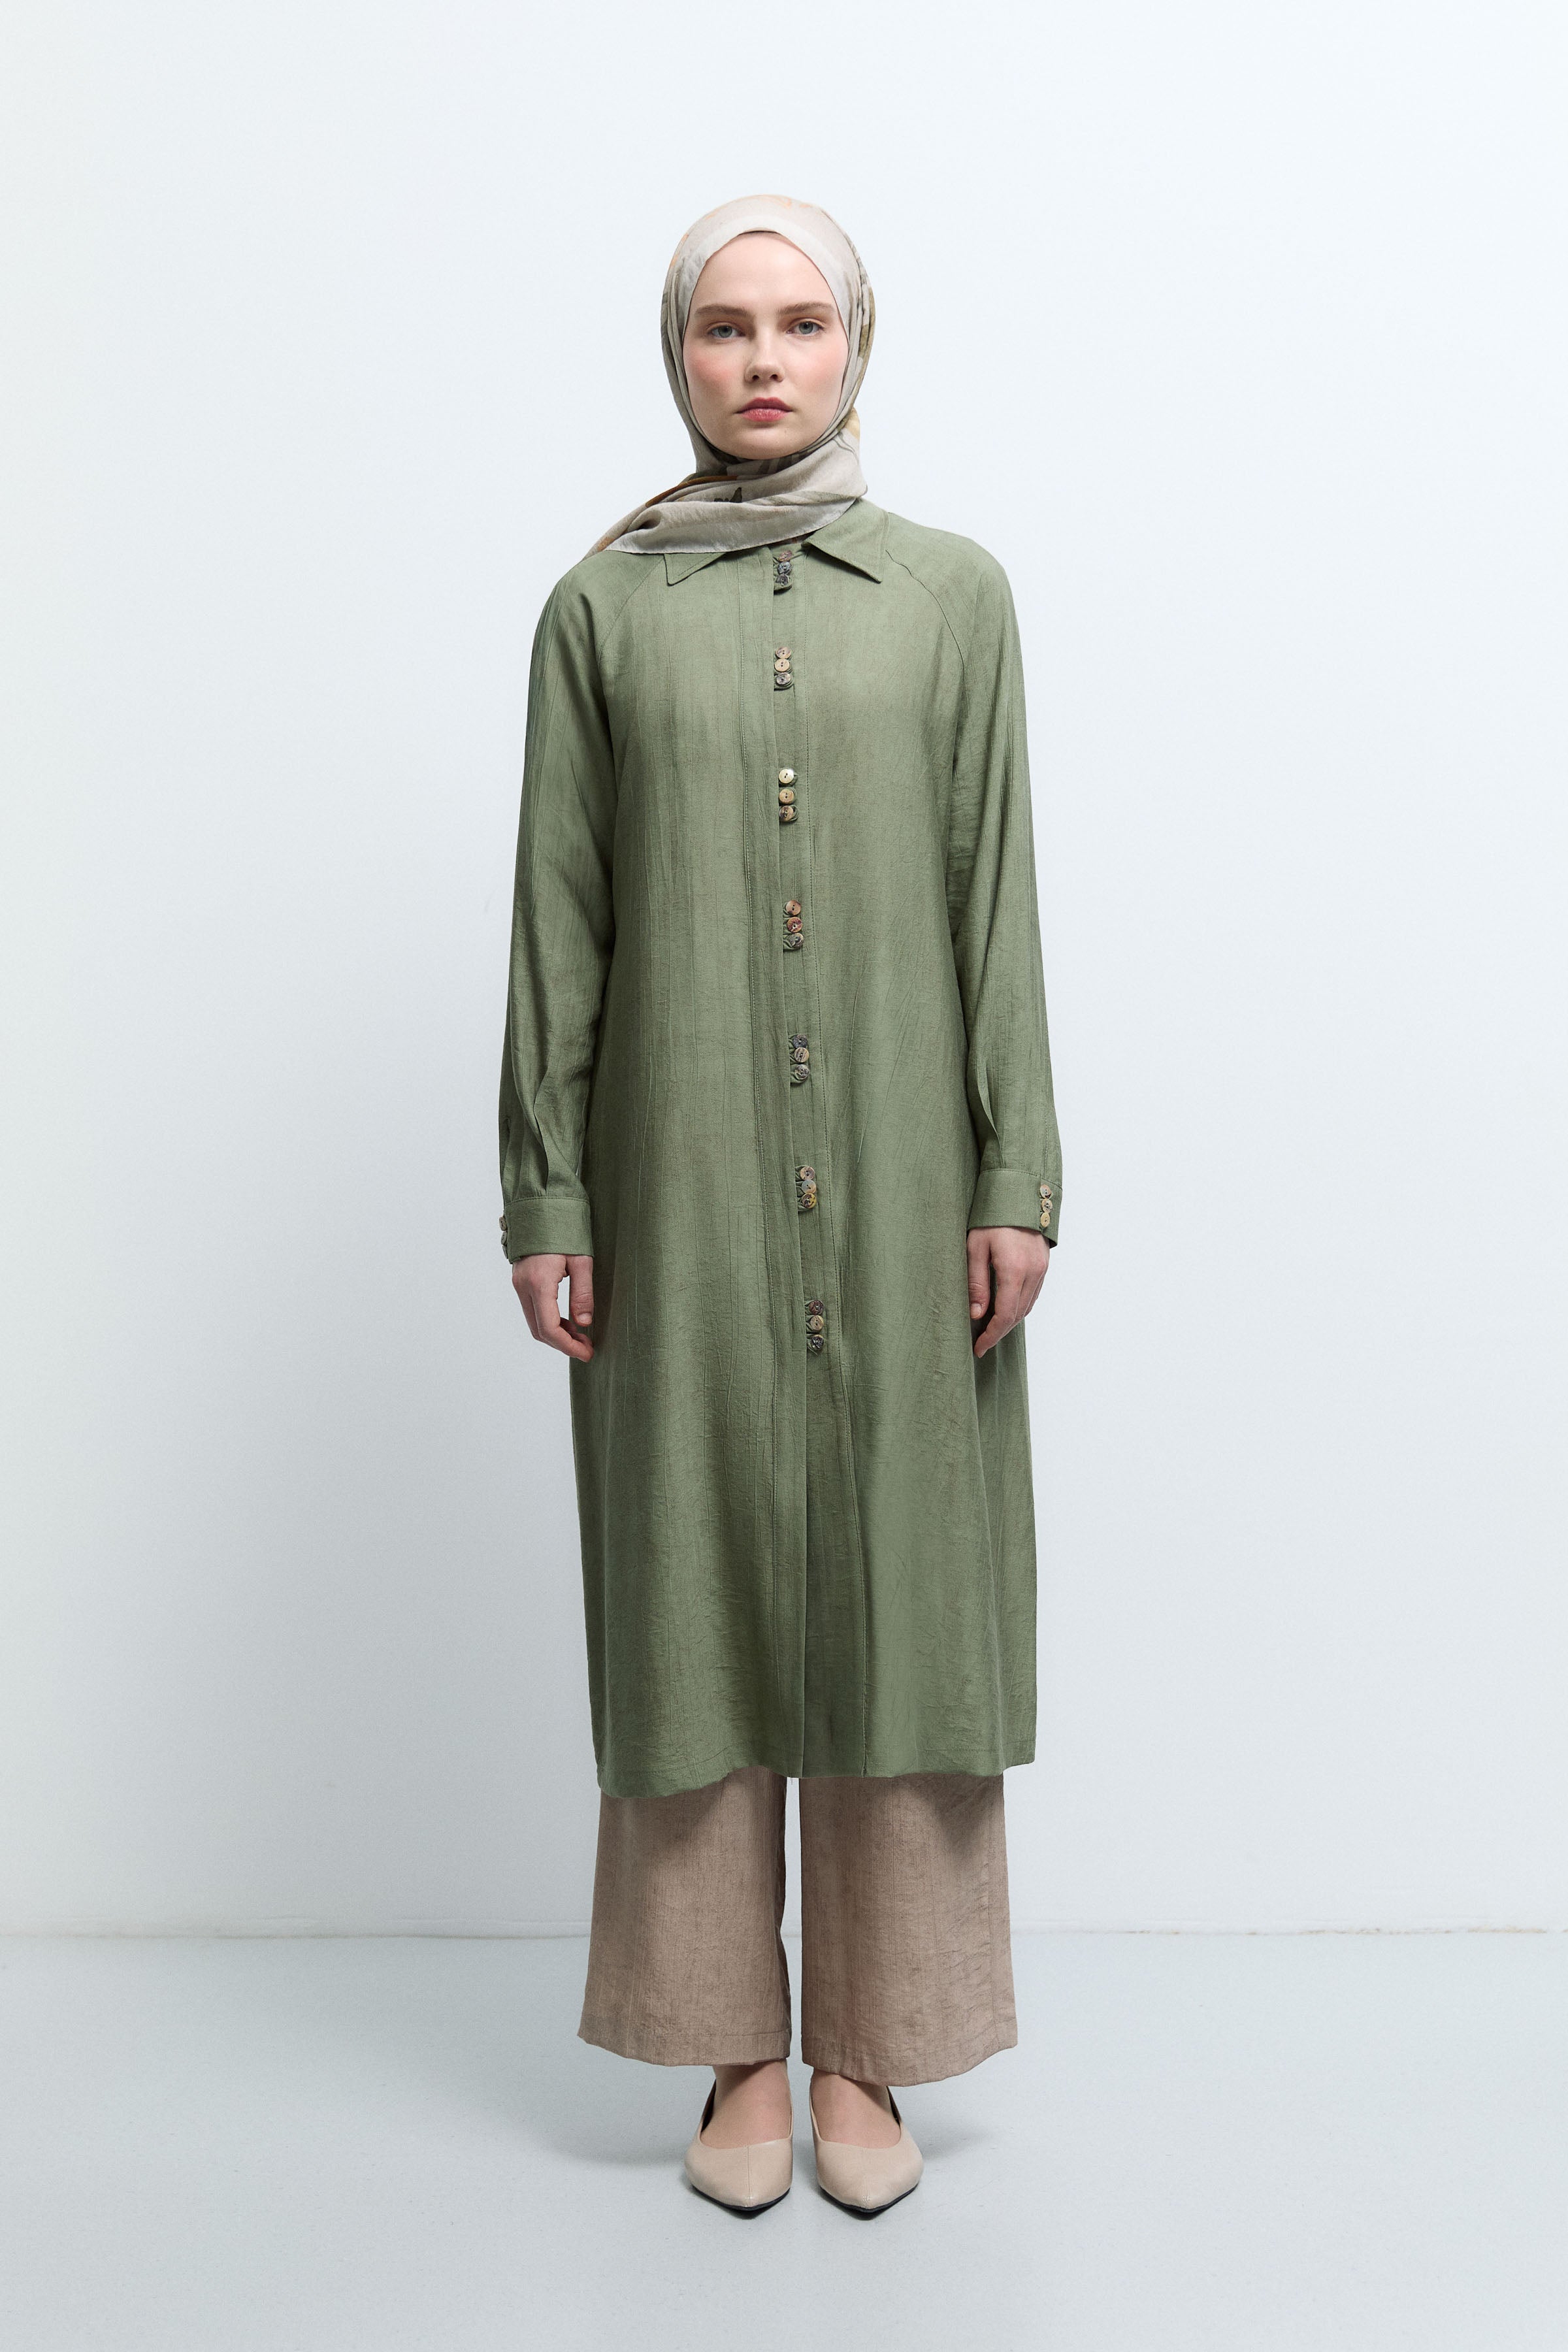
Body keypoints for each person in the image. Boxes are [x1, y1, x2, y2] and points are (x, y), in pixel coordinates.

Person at [499, 194, 1061, 2217]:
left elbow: (997, 898)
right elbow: (561, 919)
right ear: (677, 354)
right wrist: (548, 1189)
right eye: (724, 326)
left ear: (856, 348)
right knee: (695, 1589)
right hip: (680, 1189)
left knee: (906, 1588)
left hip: (908, 1181)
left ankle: (873, 2053)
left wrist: (1014, 1170)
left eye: (801, 322)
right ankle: (732, 2049)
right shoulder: (599, 612)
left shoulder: (952, 599)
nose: (762, 360)